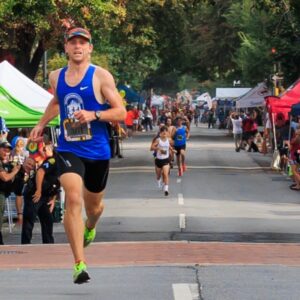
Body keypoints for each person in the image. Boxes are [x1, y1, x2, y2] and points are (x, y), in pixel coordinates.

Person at [29, 27, 126, 284]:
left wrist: (95, 115)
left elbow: (121, 113)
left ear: (90, 48)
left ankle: (91, 226)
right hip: (69, 148)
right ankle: (79, 264)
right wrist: (41, 123)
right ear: (66, 48)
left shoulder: (101, 77)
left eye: (83, 43)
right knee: (73, 198)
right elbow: (57, 102)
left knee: (94, 207)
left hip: (97, 150)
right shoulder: (55, 76)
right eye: (73, 43)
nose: (77, 47)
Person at [21, 143, 59, 244]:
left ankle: (48, 244)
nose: (44, 151)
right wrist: (38, 191)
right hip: (34, 193)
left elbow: (57, 182)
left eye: (46, 150)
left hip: (45, 195)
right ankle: (25, 244)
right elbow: (40, 172)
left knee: (47, 220)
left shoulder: (60, 162)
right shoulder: (52, 160)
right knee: (30, 220)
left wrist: (53, 199)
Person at [0, 141, 21, 244]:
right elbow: (5, 177)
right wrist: (15, 171)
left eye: (8, 151)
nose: (6, 153)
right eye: (4, 150)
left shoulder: (4, 163)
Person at [150, 125, 174, 196]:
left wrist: (172, 150)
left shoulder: (169, 140)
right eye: (163, 131)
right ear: (160, 133)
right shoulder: (158, 140)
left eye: (165, 131)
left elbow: (169, 145)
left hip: (166, 160)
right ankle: (159, 181)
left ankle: (166, 189)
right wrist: (158, 149)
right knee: (158, 175)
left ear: (167, 133)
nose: (164, 133)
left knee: (166, 174)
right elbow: (151, 148)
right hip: (158, 160)